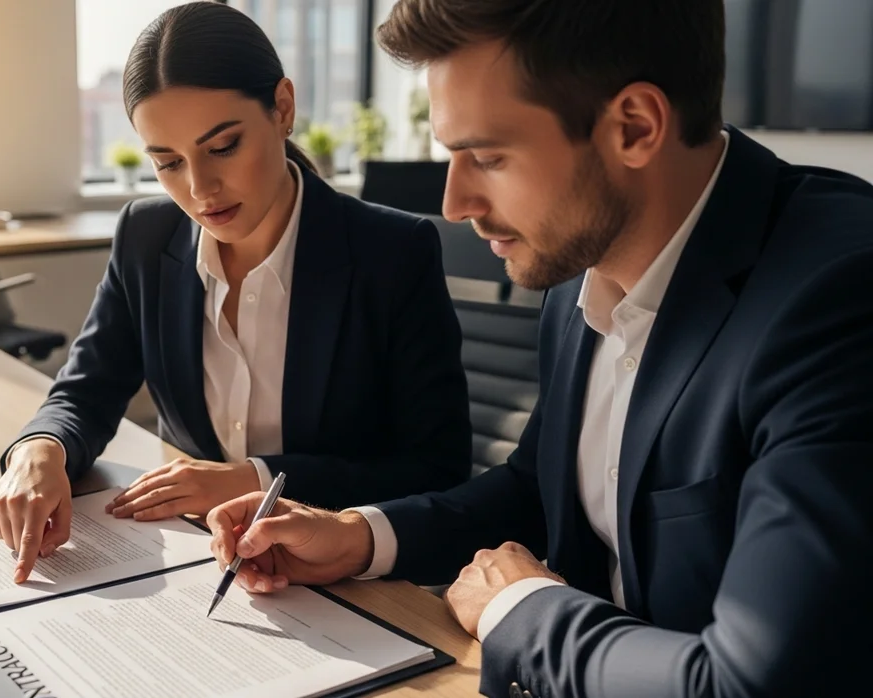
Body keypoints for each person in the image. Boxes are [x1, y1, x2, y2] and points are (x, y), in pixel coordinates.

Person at [206, 0, 873, 696]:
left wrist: (516, 608)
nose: (455, 200)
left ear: (635, 127)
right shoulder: (581, 269)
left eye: (487, 156)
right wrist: (360, 537)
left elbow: (754, 683)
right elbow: (541, 487)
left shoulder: (841, 297)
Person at [0, 2, 473, 586]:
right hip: (201, 554)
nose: (199, 189)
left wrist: (256, 478)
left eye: (222, 148)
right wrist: (40, 449)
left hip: (344, 576)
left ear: (283, 109)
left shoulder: (392, 251)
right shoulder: (146, 236)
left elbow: (437, 468)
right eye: (167, 162)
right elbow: (85, 392)